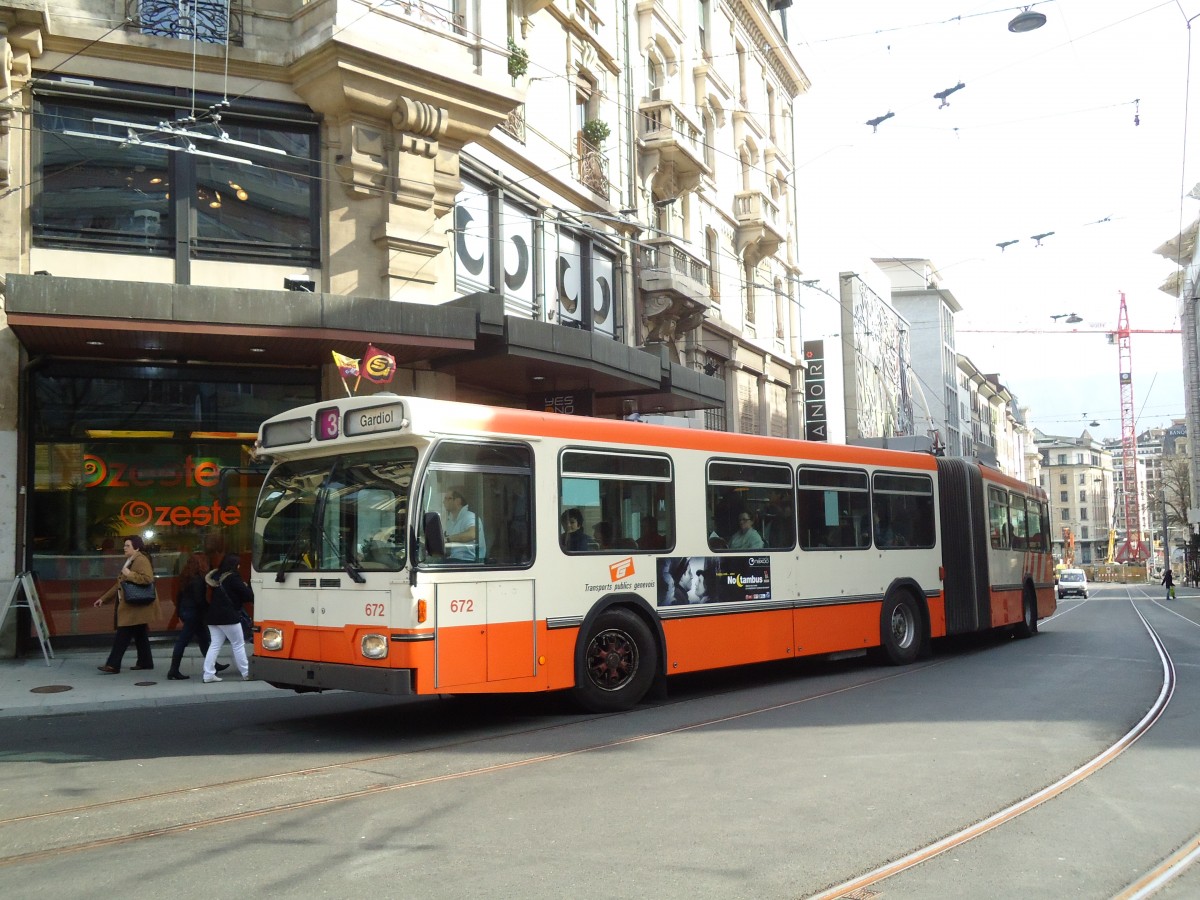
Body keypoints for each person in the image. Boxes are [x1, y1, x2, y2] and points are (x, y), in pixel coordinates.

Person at [93, 535, 159, 674]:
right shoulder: (131, 560)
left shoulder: (140, 559)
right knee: (140, 634)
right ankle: (145, 662)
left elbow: (148, 579)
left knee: (123, 634)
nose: (124, 548)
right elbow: (120, 583)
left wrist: (129, 574)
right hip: (134, 605)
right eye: (124, 545)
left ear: (137, 547)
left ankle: (113, 665)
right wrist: (103, 599)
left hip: (135, 605)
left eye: (127, 545)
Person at [167, 552, 227, 680]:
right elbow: (200, 600)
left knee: (203, 639)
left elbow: (180, 595)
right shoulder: (198, 580)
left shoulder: (186, 577)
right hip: (194, 613)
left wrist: (179, 611)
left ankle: (213, 665)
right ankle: (173, 670)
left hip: (186, 610)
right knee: (184, 641)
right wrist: (208, 610)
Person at [202, 554, 253, 683]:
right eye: (238, 564)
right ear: (235, 565)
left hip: (213, 616)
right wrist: (246, 586)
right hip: (228, 616)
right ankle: (246, 673)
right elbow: (248, 595)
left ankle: (208, 674)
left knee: (214, 645)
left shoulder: (214, 576)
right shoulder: (233, 578)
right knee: (238, 644)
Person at [442, 486, 485, 561]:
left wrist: (448, 539)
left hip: (470, 562)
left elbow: (472, 534)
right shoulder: (451, 520)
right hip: (455, 559)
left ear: (458, 501)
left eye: (448, 498)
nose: (444, 501)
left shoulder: (469, 516)